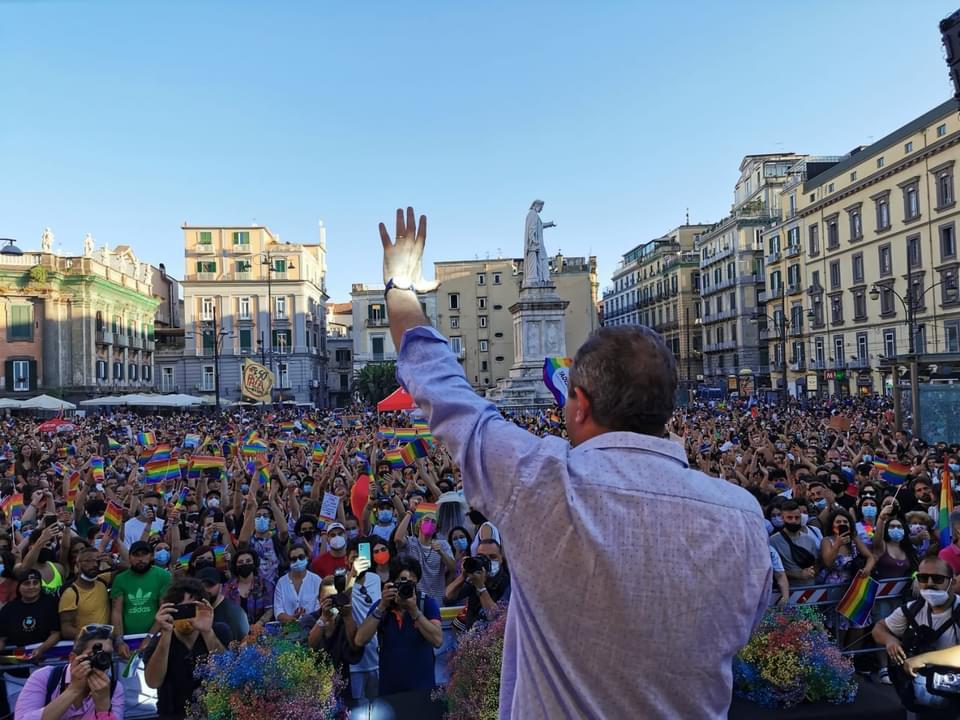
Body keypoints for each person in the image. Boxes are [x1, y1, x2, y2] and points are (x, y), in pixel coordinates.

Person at [379, 204, 770, 720]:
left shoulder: (541, 482)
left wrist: (399, 286)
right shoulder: (743, 519)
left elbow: (442, 387)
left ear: (579, 404)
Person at [872, 557, 960, 714]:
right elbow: (879, 628)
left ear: (952, 582)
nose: (929, 583)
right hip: (919, 697)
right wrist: (890, 640)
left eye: (938, 578)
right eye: (923, 578)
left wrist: (922, 659)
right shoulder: (911, 610)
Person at [142, 578, 230, 720]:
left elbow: (228, 673)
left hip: (214, 713)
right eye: (181, 610)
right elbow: (153, 682)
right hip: (173, 714)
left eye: (191, 609)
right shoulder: (159, 642)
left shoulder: (219, 631)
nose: (187, 617)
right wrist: (165, 634)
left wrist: (207, 632)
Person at [354, 556, 443, 695]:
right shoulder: (381, 606)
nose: (406, 588)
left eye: (411, 584)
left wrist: (414, 611)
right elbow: (360, 640)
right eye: (402, 583)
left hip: (423, 688)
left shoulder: (426, 603)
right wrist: (382, 606)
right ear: (392, 583)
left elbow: (437, 640)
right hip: (389, 689)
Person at [14, 622, 126, 720]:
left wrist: (103, 707)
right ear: (73, 658)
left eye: (106, 656)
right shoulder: (45, 677)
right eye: (93, 655)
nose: (101, 661)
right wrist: (73, 690)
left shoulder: (114, 688)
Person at [110, 541, 170, 659]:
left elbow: (164, 611)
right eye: (136, 555)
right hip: (129, 641)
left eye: (144, 554)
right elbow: (116, 611)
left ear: (151, 556)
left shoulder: (163, 576)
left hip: (157, 637)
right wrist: (119, 641)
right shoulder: (120, 579)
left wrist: (149, 638)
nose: (140, 559)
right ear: (129, 557)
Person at [444, 538, 510, 632]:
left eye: (492, 557)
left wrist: (481, 587)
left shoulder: (508, 583)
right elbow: (448, 597)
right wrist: (463, 576)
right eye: (482, 557)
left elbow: (496, 617)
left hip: (496, 642)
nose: (487, 561)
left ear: (501, 559)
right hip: (472, 640)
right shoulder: (474, 578)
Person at [395, 509, 454, 604]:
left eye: (433, 522)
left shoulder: (443, 544)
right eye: (426, 520)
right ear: (419, 524)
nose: (430, 523)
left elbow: (452, 567)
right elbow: (398, 539)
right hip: (413, 599)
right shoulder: (410, 542)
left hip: (436, 600)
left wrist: (441, 553)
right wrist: (410, 512)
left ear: (436, 529)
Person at [0, 568, 61, 661]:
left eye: (35, 583)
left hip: (45, 661)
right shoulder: (9, 609)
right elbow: (2, 638)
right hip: (17, 664)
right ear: (18, 587)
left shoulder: (51, 604)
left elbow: (56, 633)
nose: (32, 587)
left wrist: (41, 649)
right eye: (26, 583)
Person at [59, 547, 112, 639]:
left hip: (106, 642)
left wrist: (113, 562)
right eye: (88, 561)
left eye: (97, 561)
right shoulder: (71, 593)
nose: (94, 564)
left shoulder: (103, 581)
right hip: (85, 646)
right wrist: (92, 636)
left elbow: (129, 569)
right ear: (77, 565)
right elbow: (66, 629)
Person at [769, 500, 823, 588]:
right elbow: (772, 570)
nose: (794, 521)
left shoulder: (809, 540)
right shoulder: (773, 541)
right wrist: (798, 575)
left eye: (797, 517)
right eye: (789, 518)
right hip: (787, 591)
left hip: (811, 589)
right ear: (783, 518)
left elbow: (817, 563)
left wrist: (812, 571)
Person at [222, 548, 274, 629]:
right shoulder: (228, 587)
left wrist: (258, 625)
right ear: (235, 566)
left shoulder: (266, 585)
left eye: (248, 561)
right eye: (240, 562)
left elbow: (270, 610)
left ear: (254, 563)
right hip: (235, 631)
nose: (244, 564)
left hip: (260, 630)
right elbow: (225, 611)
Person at [196, 566, 249, 642]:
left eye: (210, 585)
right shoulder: (195, 609)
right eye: (201, 586)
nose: (205, 590)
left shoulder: (235, 614)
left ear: (221, 586)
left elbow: (238, 648)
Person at [273, 542, 321, 622]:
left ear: (307, 557)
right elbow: (278, 611)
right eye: (293, 559)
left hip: (311, 627)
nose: (298, 561)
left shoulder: (317, 581)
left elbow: (319, 609)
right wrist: (292, 619)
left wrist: (305, 620)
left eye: (301, 557)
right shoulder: (281, 582)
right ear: (289, 562)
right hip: (288, 629)